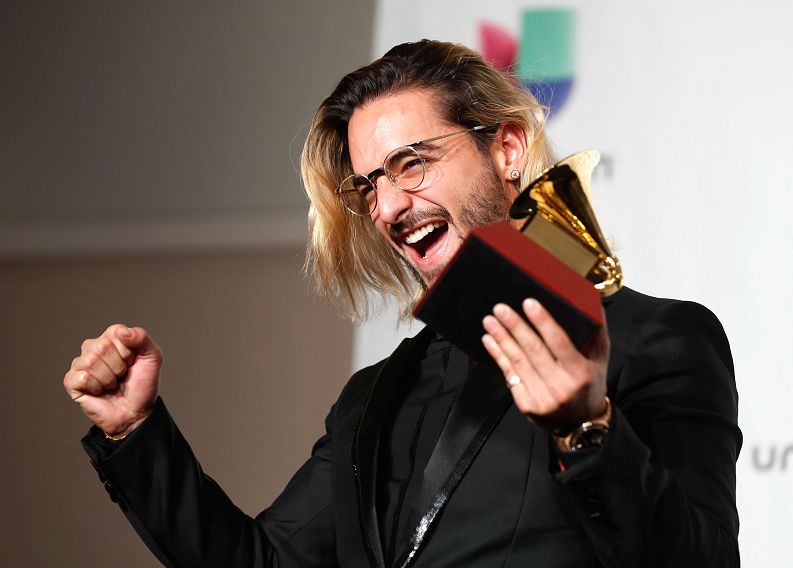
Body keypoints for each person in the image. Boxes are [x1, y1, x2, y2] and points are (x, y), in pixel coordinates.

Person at [64, 40, 741, 567]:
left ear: (506, 148)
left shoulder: (658, 337)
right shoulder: (371, 398)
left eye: (412, 163)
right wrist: (135, 430)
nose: (387, 207)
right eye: (368, 186)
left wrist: (586, 429)